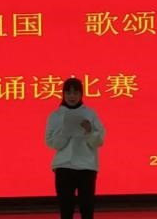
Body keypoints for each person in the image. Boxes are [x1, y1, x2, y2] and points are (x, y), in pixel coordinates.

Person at [45, 77, 105, 219]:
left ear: (81, 94)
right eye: (68, 93)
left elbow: (99, 141)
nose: (72, 96)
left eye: (75, 93)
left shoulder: (90, 114)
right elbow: (51, 143)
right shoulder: (55, 115)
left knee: (87, 208)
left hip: (87, 166)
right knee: (66, 209)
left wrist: (89, 131)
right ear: (63, 94)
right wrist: (65, 133)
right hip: (64, 166)